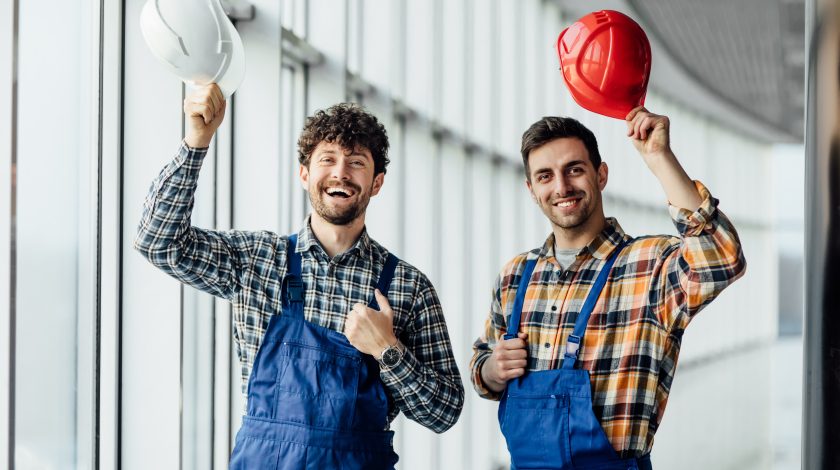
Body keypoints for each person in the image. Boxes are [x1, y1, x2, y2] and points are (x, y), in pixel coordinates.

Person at [134, 84, 464, 469]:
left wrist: (388, 351)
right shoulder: (257, 260)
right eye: (327, 159)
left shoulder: (408, 287)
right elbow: (158, 242)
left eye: (356, 161)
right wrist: (197, 141)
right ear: (305, 174)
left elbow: (444, 412)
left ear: (376, 182)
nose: (340, 172)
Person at [470, 107, 746, 469]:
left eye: (574, 169)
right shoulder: (516, 276)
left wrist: (659, 158)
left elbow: (722, 258)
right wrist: (492, 369)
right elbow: (481, 365)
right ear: (532, 190)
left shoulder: (649, 265)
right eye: (545, 176)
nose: (562, 187)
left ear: (600, 174)